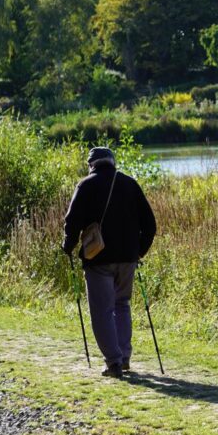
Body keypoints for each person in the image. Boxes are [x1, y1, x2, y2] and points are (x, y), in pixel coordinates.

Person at [62, 146, 156, 379]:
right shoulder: (130, 184)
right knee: (122, 304)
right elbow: (150, 225)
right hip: (128, 259)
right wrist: (139, 251)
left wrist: (68, 246)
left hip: (98, 259)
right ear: (112, 162)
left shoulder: (86, 185)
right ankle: (123, 357)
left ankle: (113, 362)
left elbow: (72, 222)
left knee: (102, 311)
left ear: (91, 165)